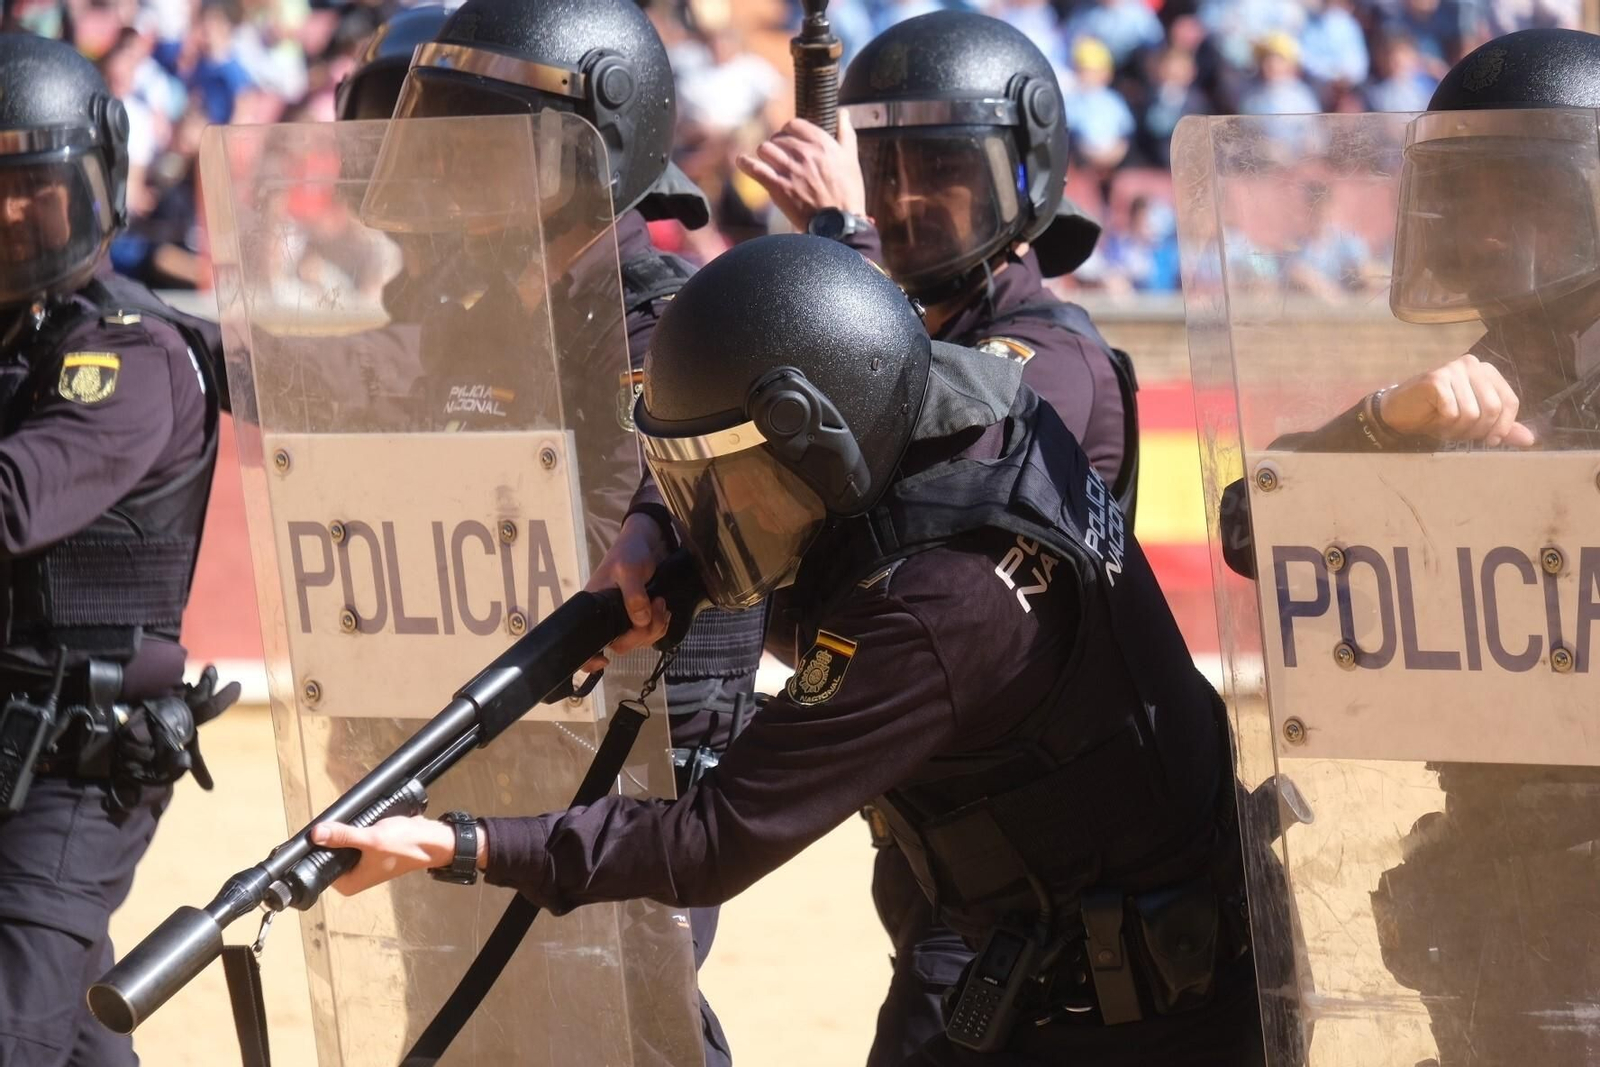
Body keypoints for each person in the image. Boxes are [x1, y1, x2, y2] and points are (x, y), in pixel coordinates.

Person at [311, 233, 1263, 1067]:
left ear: (818, 439)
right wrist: (663, 557)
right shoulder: (972, 417)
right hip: (1050, 950)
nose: (716, 516)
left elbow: (708, 840)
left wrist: (456, 843)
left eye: (729, 483)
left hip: (1124, 1009)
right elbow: (834, 538)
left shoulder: (939, 605)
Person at [734, 12, 1142, 1060]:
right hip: (946, 851)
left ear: (1023, 174)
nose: (908, 196)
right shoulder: (910, 331)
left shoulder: (1048, 354)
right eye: (886, 167)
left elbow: (946, 438)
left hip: (1037, 883)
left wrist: (840, 242)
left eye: (945, 166)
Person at [382, 0, 767, 1060]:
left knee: (623, 1027)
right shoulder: (475, 311)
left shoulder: (674, 322)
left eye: (488, 143)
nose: (455, 172)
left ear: (582, 149)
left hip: (628, 754)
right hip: (491, 738)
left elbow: (634, 532)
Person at [1218, 29, 1600, 1065]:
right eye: (1462, 198)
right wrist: (1387, 424)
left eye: (1514, 197)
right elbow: (1252, 525)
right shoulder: (1468, 383)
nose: (1479, 230)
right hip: (1500, 886)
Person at [0, 34, 234, 1067]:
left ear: (91, 182)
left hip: (80, 760)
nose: (10, 213)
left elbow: (12, 501)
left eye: (31, 188)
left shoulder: (128, 353)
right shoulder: (14, 340)